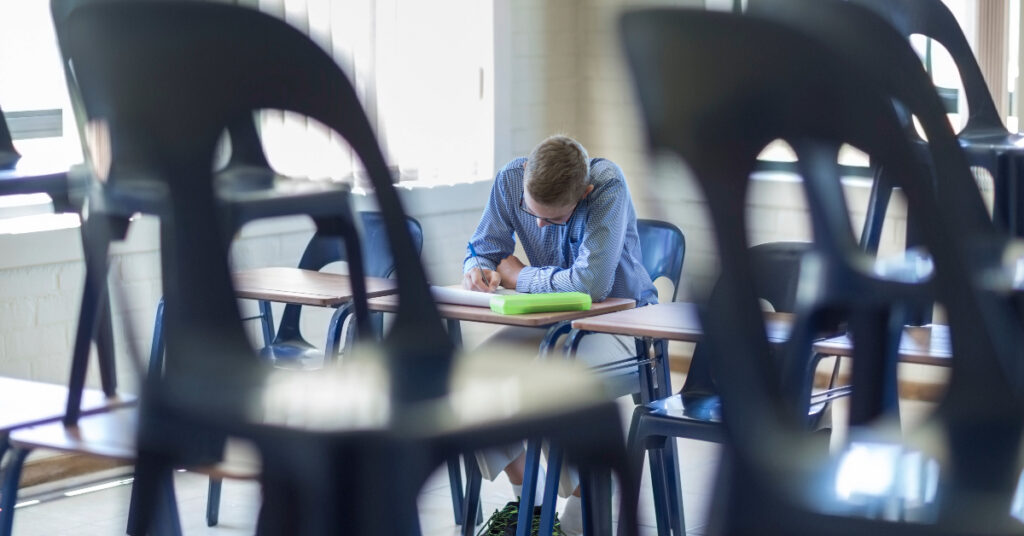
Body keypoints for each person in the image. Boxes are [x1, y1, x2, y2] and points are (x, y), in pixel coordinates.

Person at [463, 135, 657, 536]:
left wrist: (519, 276)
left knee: (552, 377)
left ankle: (579, 512)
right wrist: (478, 268)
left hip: (627, 324)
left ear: (582, 194)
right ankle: (533, 507)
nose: (537, 226)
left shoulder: (607, 186)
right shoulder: (510, 180)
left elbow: (591, 285)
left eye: (553, 220)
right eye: (530, 212)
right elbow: (486, 247)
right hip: (555, 323)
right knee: (476, 372)